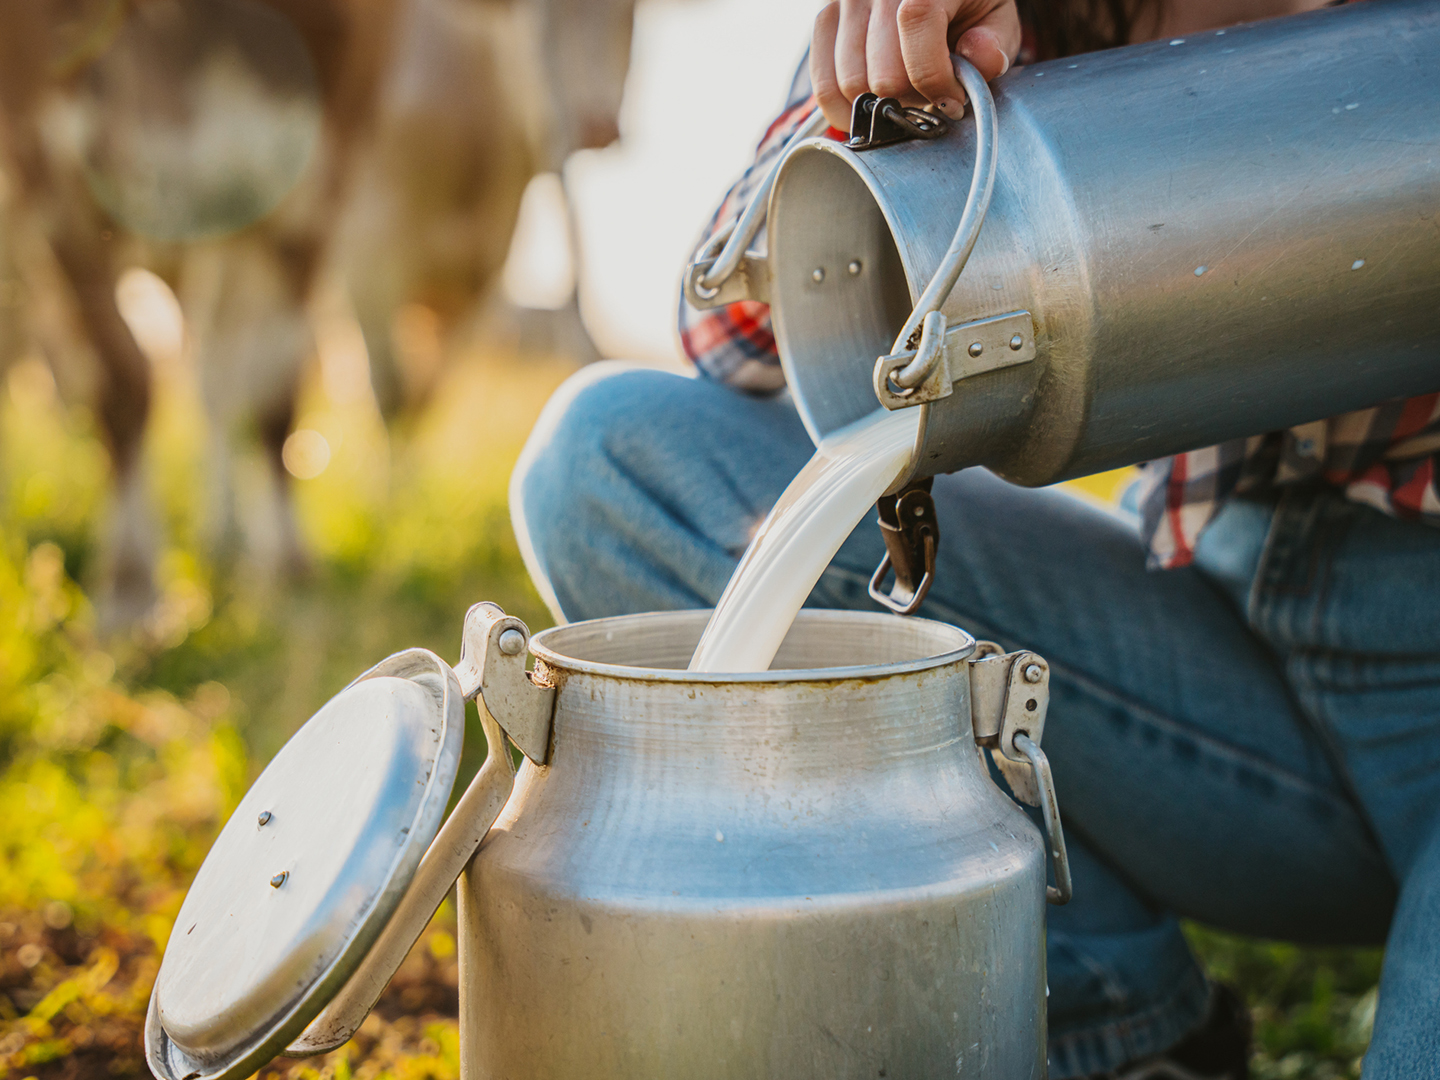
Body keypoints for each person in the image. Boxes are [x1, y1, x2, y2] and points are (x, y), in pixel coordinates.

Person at [510, 0, 1440, 1075]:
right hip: (1222, 663)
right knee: (617, 465)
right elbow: (738, 334)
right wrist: (907, 78)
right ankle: (1116, 1018)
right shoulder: (1041, 24)